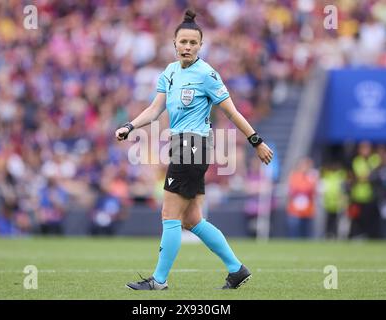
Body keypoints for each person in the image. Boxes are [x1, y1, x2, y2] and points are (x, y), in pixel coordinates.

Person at [115, 10, 273, 290]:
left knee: (170, 215)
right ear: (173, 43)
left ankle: (159, 281)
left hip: (194, 146)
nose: (187, 47)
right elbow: (154, 110)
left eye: (193, 42)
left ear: (201, 46)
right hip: (182, 145)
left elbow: (232, 113)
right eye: (182, 42)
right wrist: (130, 126)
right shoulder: (170, 72)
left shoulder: (207, 75)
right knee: (191, 219)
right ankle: (236, 269)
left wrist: (256, 141)